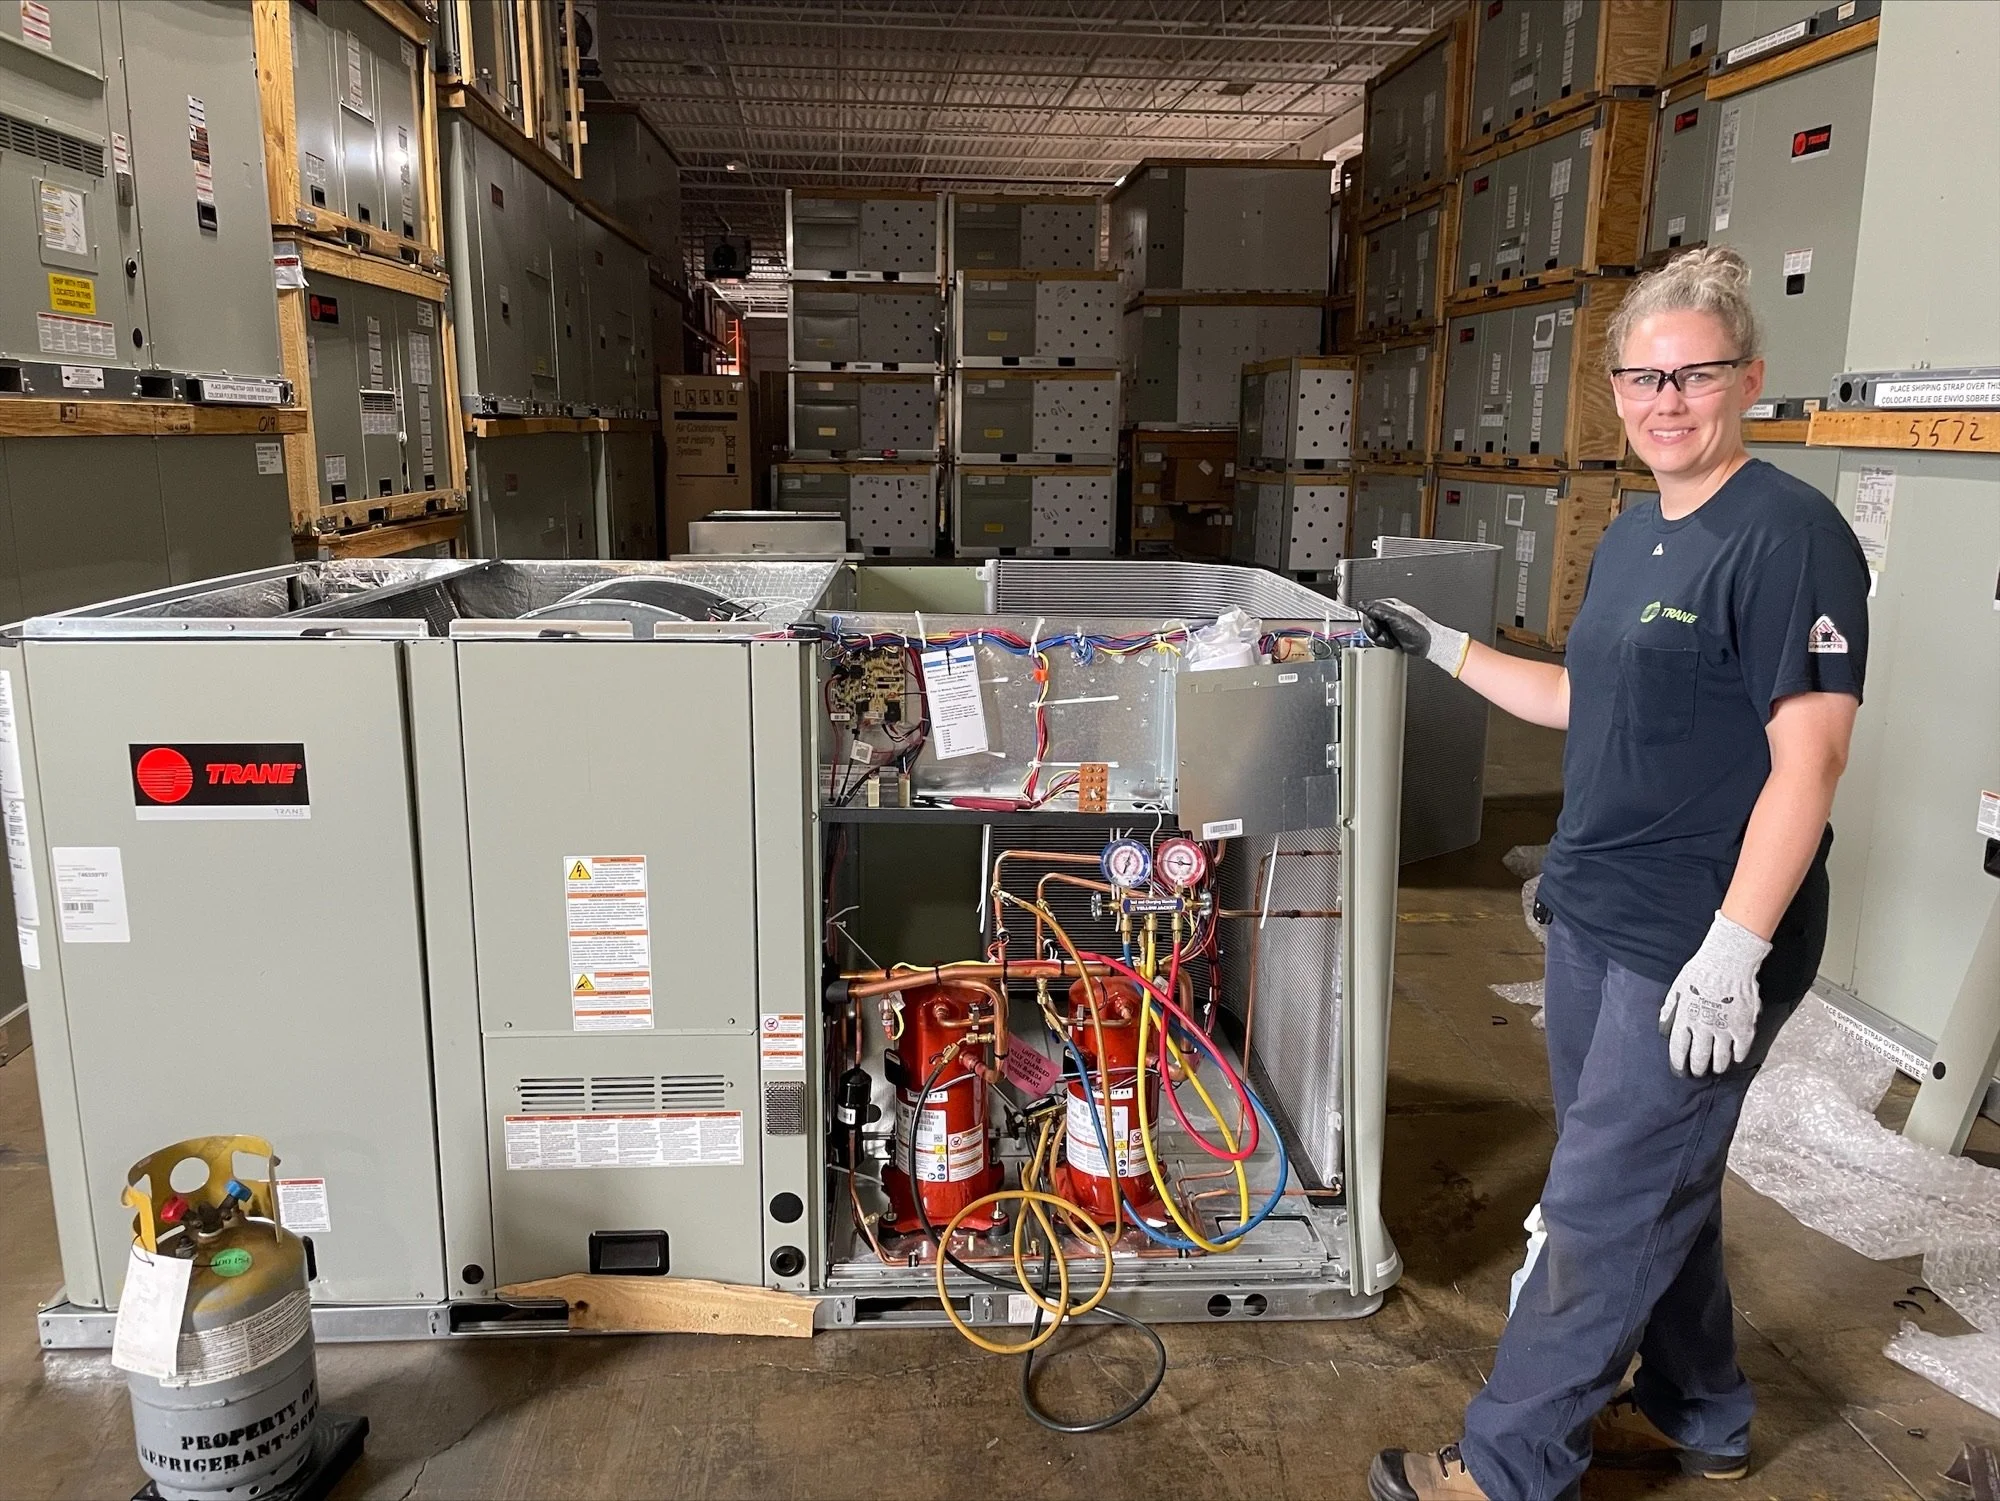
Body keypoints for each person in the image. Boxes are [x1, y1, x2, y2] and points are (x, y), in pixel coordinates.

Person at [1362, 247, 1871, 1501]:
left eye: (1692, 374)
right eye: (1641, 378)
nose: (1664, 400)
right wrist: (1440, 646)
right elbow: (1584, 698)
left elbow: (1808, 763)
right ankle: (1701, 1413)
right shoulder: (1637, 528)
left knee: (1596, 1207)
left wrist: (1734, 950)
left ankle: (1507, 1465)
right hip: (1594, 913)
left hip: (1694, 935)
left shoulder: (1788, 535)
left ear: (1746, 377)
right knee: (1648, 1179)